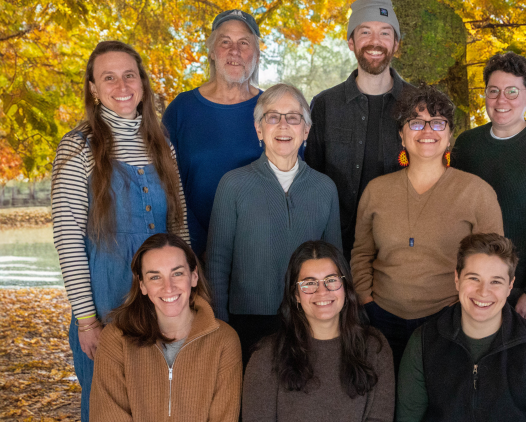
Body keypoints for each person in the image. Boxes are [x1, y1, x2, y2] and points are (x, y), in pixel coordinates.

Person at [51, 41, 189, 421]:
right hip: (106, 302)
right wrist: (86, 320)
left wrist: (189, 298)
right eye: (108, 77)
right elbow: (67, 239)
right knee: (107, 408)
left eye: (129, 75)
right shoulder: (78, 148)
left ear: (142, 83)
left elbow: (179, 228)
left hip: (163, 303)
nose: (122, 85)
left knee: (161, 406)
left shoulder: (162, 146)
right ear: (93, 88)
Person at [351, 84, 504, 370]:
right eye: (416, 122)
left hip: (448, 320)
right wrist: (366, 300)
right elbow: (361, 253)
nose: (427, 130)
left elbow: (493, 265)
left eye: (437, 122)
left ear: (449, 135)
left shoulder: (476, 192)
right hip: (381, 318)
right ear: (401, 134)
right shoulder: (376, 190)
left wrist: (465, 312)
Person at [207, 83, 342, 365]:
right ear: (259, 129)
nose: (283, 125)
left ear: (306, 130)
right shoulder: (232, 185)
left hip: (311, 318)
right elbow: (217, 262)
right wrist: (219, 324)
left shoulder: (325, 188)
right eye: (273, 117)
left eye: (293, 117)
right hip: (247, 322)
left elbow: (335, 264)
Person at [451, 52, 526, 330]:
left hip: (524, 287)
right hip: (474, 284)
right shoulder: (467, 145)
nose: (501, 100)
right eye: (493, 91)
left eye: (512, 92)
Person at [397, 233, 526, 421]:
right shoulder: (423, 342)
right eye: (474, 278)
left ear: (510, 286)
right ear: (457, 279)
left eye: (495, 281)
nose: (483, 292)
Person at [90, 233, 241, 420]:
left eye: (177, 273)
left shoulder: (224, 340)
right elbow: (107, 415)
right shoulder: (115, 339)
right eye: (155, 277)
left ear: (194, 276)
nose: (168, 287)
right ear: (142, 285)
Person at [304, 0, 412, 260]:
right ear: (351, 42)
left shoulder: (417, 104)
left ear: (396, 44)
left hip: (401, 248)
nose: (375, 41)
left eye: (385, 33)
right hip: (336, 248)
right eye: (365, 32)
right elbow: (310, 180)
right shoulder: (325, 105)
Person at [242, 240, 394, 421]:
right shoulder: (266, 356)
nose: (322, 291)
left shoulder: (375, 348)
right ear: (296, 295)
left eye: (331, 280)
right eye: (309, 283)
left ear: (346, 288)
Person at [162, 9, 264, 258]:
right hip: (192, 250)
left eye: (244, 43)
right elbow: (165, 184)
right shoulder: (181, 109)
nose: (234, 51)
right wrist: (190, 247)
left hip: (259, 249)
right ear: (211, 51)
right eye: (225, 41)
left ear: (257, 54)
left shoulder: (273, 110)